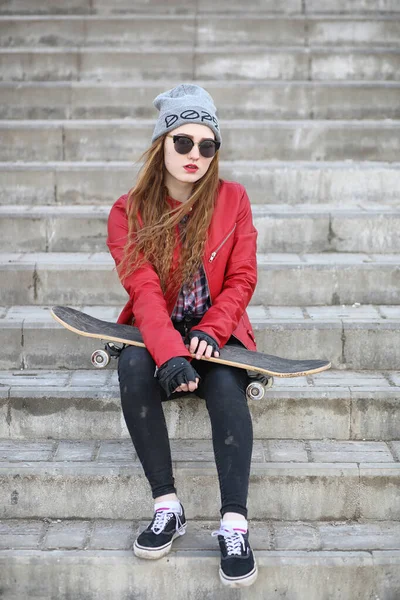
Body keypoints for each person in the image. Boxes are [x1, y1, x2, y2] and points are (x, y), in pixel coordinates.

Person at [107, 83, 258, 588]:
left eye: (207, 145)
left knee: (224, 384)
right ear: (161, 144)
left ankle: (234, 522)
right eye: (183, 142)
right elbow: (144, 290)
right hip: (156, 330)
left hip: (216, 327)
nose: (196, 155)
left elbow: (242, 278)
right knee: (132, 366)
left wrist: (214, 332)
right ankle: (167, 505)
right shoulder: (128, 211)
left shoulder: (233, 199)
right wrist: (169, 354)